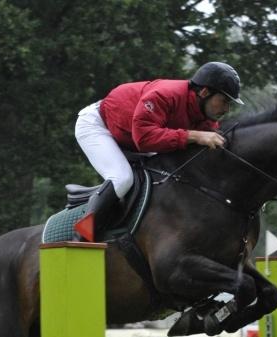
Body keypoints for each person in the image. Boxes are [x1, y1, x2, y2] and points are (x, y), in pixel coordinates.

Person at [74, 61, 244, 240]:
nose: (226, 109)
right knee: (122, 179)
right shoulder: (165, 95)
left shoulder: (205, 117)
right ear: (204, 92)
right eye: (224, 101)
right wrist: (193, 135)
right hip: (98, 126)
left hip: (130, 137)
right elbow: (144, 138)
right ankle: (81, 235)